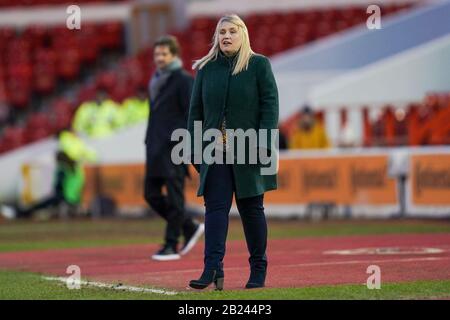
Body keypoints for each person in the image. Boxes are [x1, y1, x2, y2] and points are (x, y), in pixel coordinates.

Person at [187, 14, 279, 290]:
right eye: (221, 32)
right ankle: (212, 268)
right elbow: (196, 113)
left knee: (252, 209)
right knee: (215, 210)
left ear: (243, 34)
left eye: (231, 31)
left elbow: (270, 105)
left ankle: (258, 269)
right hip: (214, 152)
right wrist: (194, 149)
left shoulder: (258, 65)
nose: (225, 36)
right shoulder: (205, 69)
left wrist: (263, 143)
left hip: (249, 148)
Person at [144, 35, 204, 261]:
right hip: (154, 146)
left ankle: (171, 245)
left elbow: (192, 113)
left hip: (174, 146)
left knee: (175, 196)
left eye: (164, 54)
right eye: (156, 54)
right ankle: (188, 226)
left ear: (174, 55)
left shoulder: (183, 80)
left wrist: (186, 142)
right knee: (150, 194)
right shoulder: (155, 79)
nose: (159, 58)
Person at [11, 128, 96, 219]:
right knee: (55, 200)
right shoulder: (67, 141)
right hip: (67, 186)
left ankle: (24, 212)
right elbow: (63, 154)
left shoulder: (71, 144)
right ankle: (24, 212)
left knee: (53, 200)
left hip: (67, 188)